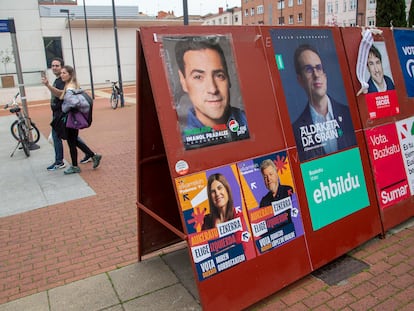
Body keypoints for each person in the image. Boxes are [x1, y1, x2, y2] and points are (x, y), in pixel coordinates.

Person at [174, 36, 249, 148]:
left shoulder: (250, 122)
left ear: (228, 78)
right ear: (183, 81)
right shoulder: (181, 140)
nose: (213, 89)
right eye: (198, 77)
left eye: (219, 75)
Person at [292, 44, 356, 161]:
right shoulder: (296, 131)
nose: (316, 75)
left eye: (319, 68)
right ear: (300, 80)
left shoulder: (349, 115)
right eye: (308, 70)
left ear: (325, 76)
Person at [42, 57, 89, 171]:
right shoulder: (59, 80)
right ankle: (91, 154)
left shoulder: (65, 83)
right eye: (53, 65)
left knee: (59, 137)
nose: (54, 68)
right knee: (72, 139)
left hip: (63, 115)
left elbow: (62, 95)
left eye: (57, 66)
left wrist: (48, 86)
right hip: (61, 114)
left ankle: (61, 162)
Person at [60, 65, 102, 174]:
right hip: (74, 118)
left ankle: (75, 166)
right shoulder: (75, 85)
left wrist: (64, 108)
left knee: (72, 142)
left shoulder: (69, 88)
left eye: (64, 73)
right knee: (74, 140)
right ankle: (93, 156)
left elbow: (74, 102)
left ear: (70, 74)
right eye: (61, 73)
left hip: (71, 118)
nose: (62, 75)